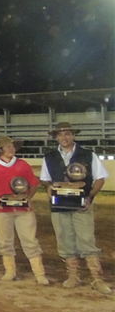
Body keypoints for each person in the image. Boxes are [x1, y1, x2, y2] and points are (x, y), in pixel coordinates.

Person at [40, 122, 110, 293]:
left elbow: (100, 179)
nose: (64, 137)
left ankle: (97, 278)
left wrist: (89, 196)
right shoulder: (49, 157)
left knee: (86, 240)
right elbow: (45, 178)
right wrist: (48, 187)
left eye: (67, 134)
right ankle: (73, 276)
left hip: (81, 205)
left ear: (73, 135)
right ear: (56, 137)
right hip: (59, 206)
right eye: (60, 134)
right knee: (64, 239)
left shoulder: (87, 155)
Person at [0, 135, 48, 285]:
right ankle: (10, 271)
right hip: (2, 211)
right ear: (0, 150)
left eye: (12, 146)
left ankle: (39, 273)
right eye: (7, 147)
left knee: (30, 240)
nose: (11, 149)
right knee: (5, 241)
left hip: (23, 210)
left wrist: (28, 198)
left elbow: (33, 183)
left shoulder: (23, 165)